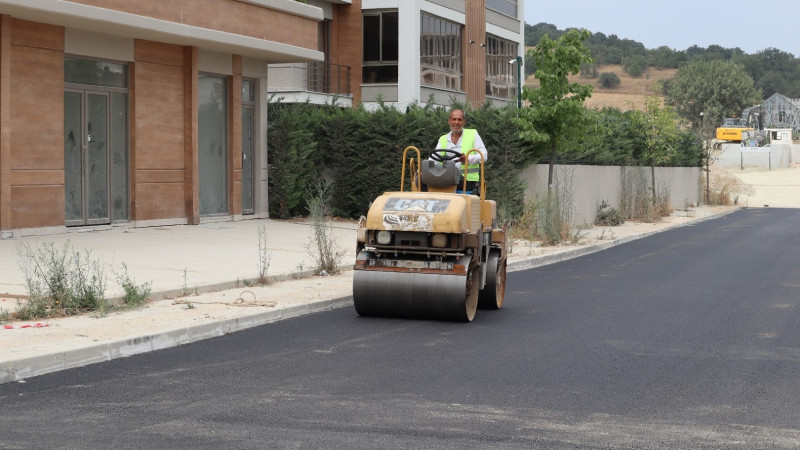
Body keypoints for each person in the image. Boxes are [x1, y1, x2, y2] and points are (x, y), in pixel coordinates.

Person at [432, 108, 488, 193]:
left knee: (453, 178)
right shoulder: (443, 139)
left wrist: (467, 159)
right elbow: (434, 159)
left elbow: (484, 156)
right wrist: (425, 171)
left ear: (464, 122)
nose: (456, 122)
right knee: (422, 180)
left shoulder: (473, 134)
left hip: (467, 181)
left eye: (459, 120)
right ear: (449, 121)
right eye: (454, 119)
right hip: (447, 177)